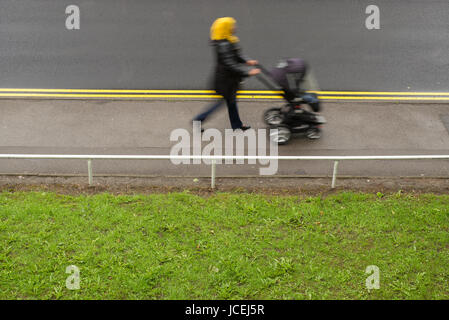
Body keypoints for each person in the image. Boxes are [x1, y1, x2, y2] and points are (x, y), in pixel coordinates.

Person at [193, 17, 260, 131]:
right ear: (225, 28)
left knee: (231, 103)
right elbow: (230, 64)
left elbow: (236, 55)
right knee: (223, 103)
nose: (235, 27)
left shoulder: (228, 40)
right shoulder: (224, 45)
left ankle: (237, 125)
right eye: (232, 25)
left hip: (228, 80)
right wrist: (248, 72)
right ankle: (198, 120)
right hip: (225, 82)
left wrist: (247, 60)